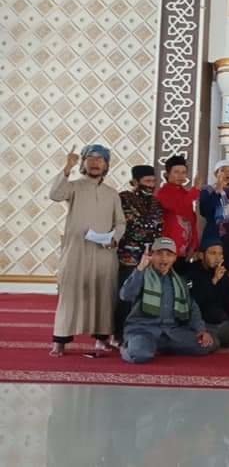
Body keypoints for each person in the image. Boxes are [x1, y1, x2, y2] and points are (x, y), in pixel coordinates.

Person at [48, 144, 126, 356]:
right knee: (70, 295)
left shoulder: (111, 194)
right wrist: (67, 167)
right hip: (77, 250)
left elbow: (120, 222)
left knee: (103, 295)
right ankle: (60, 341)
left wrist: (114, 239)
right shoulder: (73, 187)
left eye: (100, 159)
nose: (95, 163)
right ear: (83, 163)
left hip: (103, 251)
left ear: (106, 165)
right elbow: (55, 194)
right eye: (90, 158)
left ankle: (101, 339)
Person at [119, 237, 216, 363]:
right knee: (140, 354)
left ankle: (160, 347)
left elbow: (192, 308)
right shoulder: (142, 274)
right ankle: (128, 347)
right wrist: (140, 268)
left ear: (175, 258)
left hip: (171, 333)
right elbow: (125, 295)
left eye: (169, 254)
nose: (164, 259)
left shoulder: (180, 282)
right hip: (144, 330)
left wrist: (201, 330)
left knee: (208, 344)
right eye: (159, 254)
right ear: (151, 255)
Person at [115, 164, 163, 344]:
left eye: (153, 181)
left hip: (150, 257)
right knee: (126, 296)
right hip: (128, 256)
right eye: (147, 181)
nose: (151, 185)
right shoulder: (124, 198)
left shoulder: (156, 202)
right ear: (135, 182)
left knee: (145, 296)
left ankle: (140, 333)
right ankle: (119, 334)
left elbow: (158, 228)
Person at [186, 239, 229, 348]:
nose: (217, 258)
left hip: (222, 323)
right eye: (213, 253)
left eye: (220, 254)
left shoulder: (223, 274)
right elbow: (195, 302)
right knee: (210, 344)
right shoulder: (193, 274)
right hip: (203, 324)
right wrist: (214, 281)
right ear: (202, 255)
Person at [156, 155, 202, 269]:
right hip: (168, 250)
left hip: (185, 251)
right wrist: (195, 189)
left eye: (183, 172)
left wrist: (194, 246)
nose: (180, 176)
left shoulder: (185, 193)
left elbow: (192, 221)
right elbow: (179, 206)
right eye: (176, 172)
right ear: (167, 174)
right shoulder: (163, 193)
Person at [199, 160, 229, 268]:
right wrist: (217, 192)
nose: (227, 173)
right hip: (212, 237)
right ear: (216, 174)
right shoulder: (207, 190)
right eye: (223, 170)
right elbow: (204, 211)